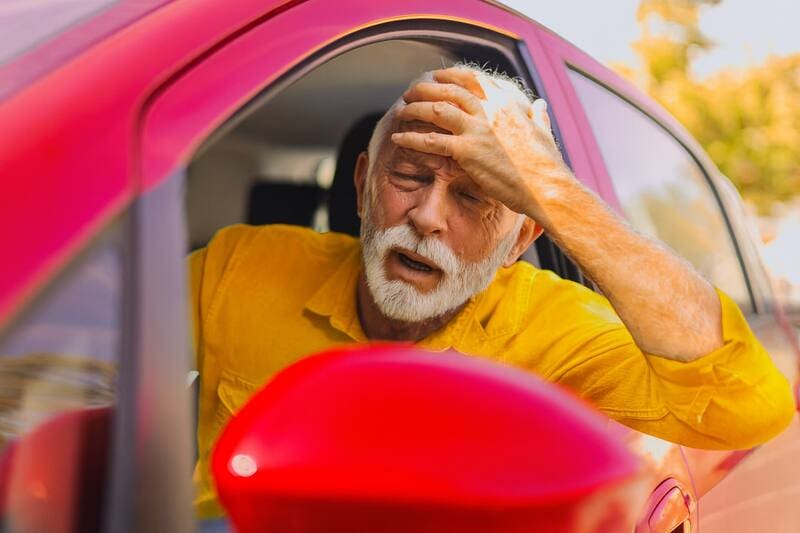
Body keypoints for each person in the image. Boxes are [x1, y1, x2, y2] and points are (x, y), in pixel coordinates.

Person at [189, 65, 794, 517]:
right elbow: (94, 348)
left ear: (521, 238)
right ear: (362, 184)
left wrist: (552, 191)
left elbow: (748, 410)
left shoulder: (560, 331)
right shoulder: (240, 263)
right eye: (407, 176)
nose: (427, 216)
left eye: (474, 196)